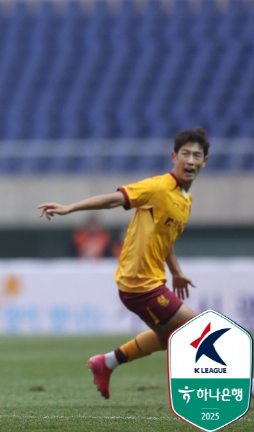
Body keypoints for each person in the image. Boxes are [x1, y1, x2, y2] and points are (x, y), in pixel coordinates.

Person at [38, 127, 209, 400]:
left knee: (169, 338)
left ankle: (106, 363)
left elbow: (165, 239)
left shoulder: (185, 201)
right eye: (185, 154)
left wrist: (176, 272)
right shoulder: (159, 187)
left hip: (153, 282)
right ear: (174, 156)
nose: (190, 160)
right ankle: (242, 384)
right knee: (202, 329)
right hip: (139, 283)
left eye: (196, 155)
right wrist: (70, 208)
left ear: (204, 161)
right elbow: (114, 199)